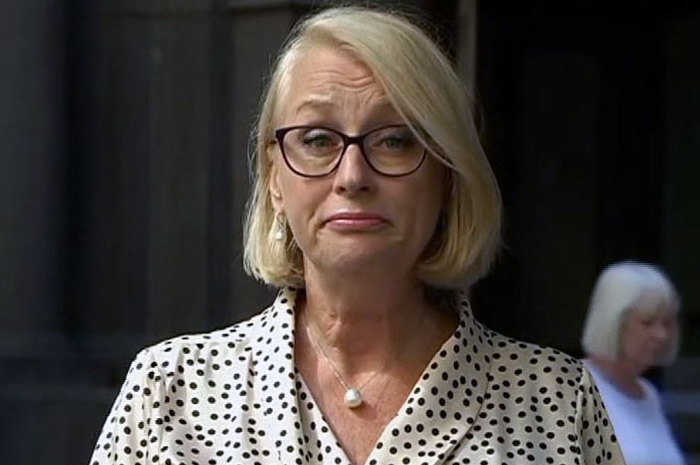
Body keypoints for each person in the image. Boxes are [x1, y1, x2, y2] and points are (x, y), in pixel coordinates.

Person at [89, 5, 626, 465]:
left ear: (446, 174)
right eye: (318, 139)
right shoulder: (171, 392)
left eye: (395, 140)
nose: (352, 176)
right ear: (275, 177)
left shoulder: (556, 399)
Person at [581, 260, 685, 465]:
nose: (661, 335)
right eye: (647, 323)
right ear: (614, 323)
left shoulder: (649, 395)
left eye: (666, 323)